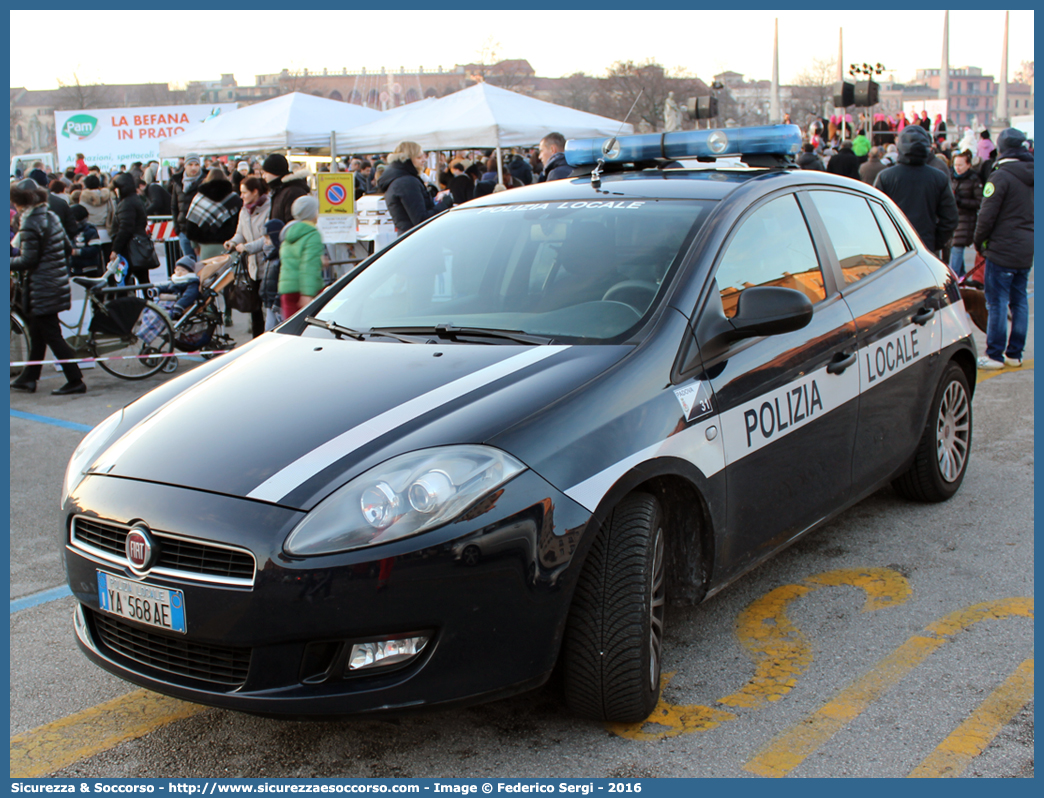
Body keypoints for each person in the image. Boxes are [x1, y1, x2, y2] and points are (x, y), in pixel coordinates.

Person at [9, 180, 85, 396]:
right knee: (38, 332)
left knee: (51, 334)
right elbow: (67, 247)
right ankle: (29, 377)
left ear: (22, 201)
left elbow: (28, 260)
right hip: (55, 282)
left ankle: (75, 379)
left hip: (42, 286)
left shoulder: (31, 221)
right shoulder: (50, 216)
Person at [973, 128, 1034, 370]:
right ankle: (1014, 353)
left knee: (996, 302)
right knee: (1019, 300)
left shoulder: (1001, 176)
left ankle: (995, 355)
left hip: (1002, 247)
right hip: (1026, 246)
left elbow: (986, 217)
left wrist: (980, 242)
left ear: (1001, 149)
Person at [874, 125, 958, 257]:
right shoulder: (938, 177)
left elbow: (875, 217)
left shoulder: (886, 177)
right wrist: (935, 242)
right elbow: (950, 218)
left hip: (893, 247)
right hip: (926, 246)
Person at [224, 175, 271, 337]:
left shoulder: (269, 209)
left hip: (267, 266)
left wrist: (247, 247)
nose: (241, 196)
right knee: (255, 308)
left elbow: (267, 239)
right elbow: (240, 233)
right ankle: (257, 339)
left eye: (244, 192)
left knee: (270, 307)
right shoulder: (244, 210)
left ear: (255, 192)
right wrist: (232, 242)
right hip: (252, 268)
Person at [377, 141, 453, 235]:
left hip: (409, 238)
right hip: (416, 239)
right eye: (419, 157)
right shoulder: (406, 182)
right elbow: (421, 220)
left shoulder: (398, 179)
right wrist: (444, 204)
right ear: (407, 159)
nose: (424, 160)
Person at [278, 195, 325, 320]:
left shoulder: (288, 233)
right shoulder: (312, 234)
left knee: (291, 332)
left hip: (287, 289)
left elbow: (292, 260)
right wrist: (307, 294)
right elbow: (309, 265)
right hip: (305, 290)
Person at [186, 166, 242, 261]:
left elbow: (191, 224)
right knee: (228, 274)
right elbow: (240, 223)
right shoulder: (234, 199)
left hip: (206, 247)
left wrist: (194, 246)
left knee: (208, 273)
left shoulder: (199, 199)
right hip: (229, 246)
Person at [107, 172, 150, 284]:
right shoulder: (136, 199)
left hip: (129, 248)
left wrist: (115, 249)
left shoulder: (126, 204)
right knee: (143, 280)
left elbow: (125, 228)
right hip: (138, 246)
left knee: (123, 281)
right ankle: (147, 301)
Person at [948, 150, 983, 277]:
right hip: (952, 218)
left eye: (960, 165)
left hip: (966, 220)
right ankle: (961, 277)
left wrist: (960, 201)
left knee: (956, 248)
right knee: (955, 248)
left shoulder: (974, 180)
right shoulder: (950, 177)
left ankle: (954, 279)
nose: (957, 168)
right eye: (955, 164)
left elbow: (979, 202)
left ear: (968, 165)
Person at [170, 153, 204, 261]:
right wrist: (177, 227)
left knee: (202, 264)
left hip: (201, 231)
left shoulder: (205, 181)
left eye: (196, 164)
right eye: (190, 164)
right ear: (185, 165)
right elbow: (174, 206)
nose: (193, 167)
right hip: (184, 230)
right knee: (188, 263)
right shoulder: (178, 182)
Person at [261, 153, 311, 225]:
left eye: (266, 173)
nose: (264, 176)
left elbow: (293, 224)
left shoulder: (292, 192)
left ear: (275, 172)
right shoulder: (279, 190)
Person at [154, 256, 201, 320]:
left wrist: (179, 305)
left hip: (178, 304)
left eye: (183, 270)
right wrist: (157, 289)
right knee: (152, 310)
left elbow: (190, 295)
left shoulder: (191, 282)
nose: (179, 272)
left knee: (158, 316)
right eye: (177, 270)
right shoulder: (176, 280)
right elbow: (167, 287)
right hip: (171, 301)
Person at [259, 219, 284, 331]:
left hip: (277, 303)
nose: (265, 241)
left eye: (267, 238)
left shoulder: (279, 257)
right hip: (269, 301)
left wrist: (277, 300)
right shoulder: (269, 257)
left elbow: (283, 281)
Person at [67, 204, 102, 275]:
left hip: (89, 269)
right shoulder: (71, 231)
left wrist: (77, 252)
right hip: (74, 269)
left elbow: (95, 249)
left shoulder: (90, 231)